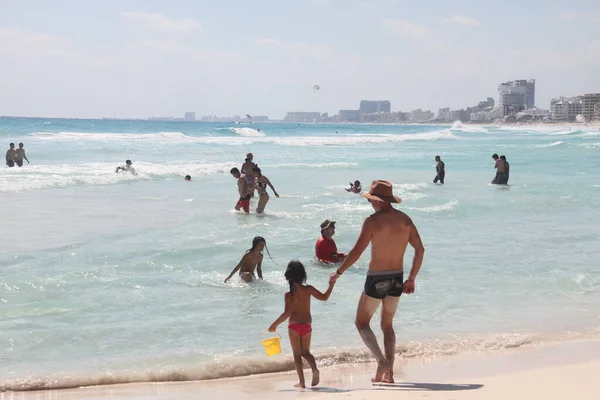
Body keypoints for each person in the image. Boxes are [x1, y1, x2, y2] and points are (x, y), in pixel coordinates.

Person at [330, 180, 425, 384]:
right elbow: (420, 250)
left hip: (377, 278)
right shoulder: (405, 220)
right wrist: (411, 278)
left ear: (379, 201)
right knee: (387, 325)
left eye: (372, 200)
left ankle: (381, 361)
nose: (370, 204)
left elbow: (356, 252)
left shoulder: (372, 221)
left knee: (361, 323)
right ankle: (389, 374)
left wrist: (338, 272)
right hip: (397, 278)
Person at [268, 260, 336, 388]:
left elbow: (286, 313)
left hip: (294, 327)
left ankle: (302, 382)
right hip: (307, 325)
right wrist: (331, 285)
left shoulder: (289, 295)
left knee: (297, 355)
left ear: (288, 276)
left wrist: (274, 325)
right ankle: (314, 369)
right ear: (303, 275)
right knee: (306, 352)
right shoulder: (308, 289)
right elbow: (324, 297)